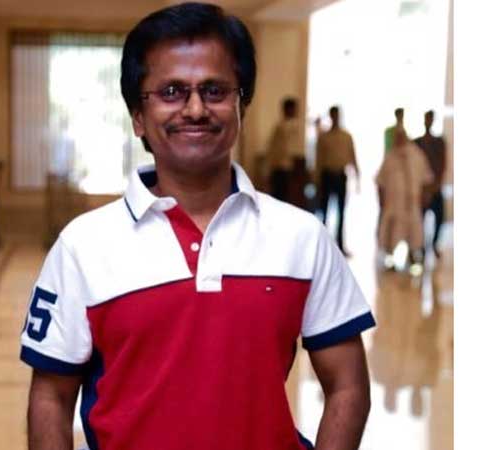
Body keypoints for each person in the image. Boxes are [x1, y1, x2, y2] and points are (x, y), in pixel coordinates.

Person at [21, 4, 375, 450]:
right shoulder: (83, 246)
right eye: (171, 91)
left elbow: (347, 384)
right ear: (137, 117)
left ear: (241, 106)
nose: (195, 108)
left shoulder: (302, 237)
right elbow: (51, 397)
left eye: (214, 90)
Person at [376, 128, 433, 272]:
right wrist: (381, 199)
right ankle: (390, 260)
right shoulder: (390, 157)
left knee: (414, 233)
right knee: (392, 234)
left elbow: (426, 178)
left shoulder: (416, 155)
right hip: (394, 203)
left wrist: (425, 196)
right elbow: (380, 181)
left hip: (412, 203)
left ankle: (413, 258)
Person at [315, 105, 360, 256]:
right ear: (331, 116)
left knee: (341, 213)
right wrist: (316, 180)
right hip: (327, 176)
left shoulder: (346, 136)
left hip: (340, 176)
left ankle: (340, 246)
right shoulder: (324, 137)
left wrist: (357, 177)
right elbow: (318, 160)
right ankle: (322, 246)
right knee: (324, 212)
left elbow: (352, 156)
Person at [414, 110, 447, 258]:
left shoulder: (439, 142)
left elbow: (442, 165)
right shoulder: (417, 143)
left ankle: (433, 244)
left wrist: (434, 187)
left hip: (435, 188)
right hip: (421, 189)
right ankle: (420, 247)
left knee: (440, 217)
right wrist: (423, 189)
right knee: (419, 220)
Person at [265, 97, 303, 202]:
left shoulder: (296, 127)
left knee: (288, 198)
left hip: (291, 168)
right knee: (279, 197)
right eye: (291, 109)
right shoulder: (279, 127)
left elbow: (297, 150)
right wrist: (269, 169)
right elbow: (273, 149)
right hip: (279, 168)